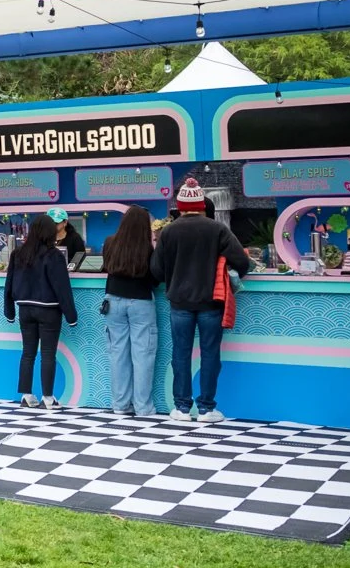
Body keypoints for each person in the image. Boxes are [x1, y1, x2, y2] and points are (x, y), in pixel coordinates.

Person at [152, 179, 251, 424]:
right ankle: (207, 409)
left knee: (181, 355)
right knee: (210, 355)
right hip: (211, 304)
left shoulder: (168, 232)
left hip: (179, 304)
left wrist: (172, 276)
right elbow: (242, 261)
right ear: (201, 205)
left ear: (181, 206)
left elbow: (155, 270)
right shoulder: (217, 229)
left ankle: (182, 408)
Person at [3, 213, 76, 409]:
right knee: (48, 354)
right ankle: (48, 398)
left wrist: (9, 311)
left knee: (28, 353)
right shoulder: (54, 256)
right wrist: (71, 316)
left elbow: (8, 285)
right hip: (49, 311)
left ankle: (26, 395)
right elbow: (62, 288)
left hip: (24, 310)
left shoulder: (18, 254)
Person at [101, 208, 161, 417]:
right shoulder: (148, 248)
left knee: (118, 354)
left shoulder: (110, 242)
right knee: (143, 354)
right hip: (141, 302)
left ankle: (120, 405)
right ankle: (143, 407)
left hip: (113, 301)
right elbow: (155, 279)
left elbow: (106, 267)